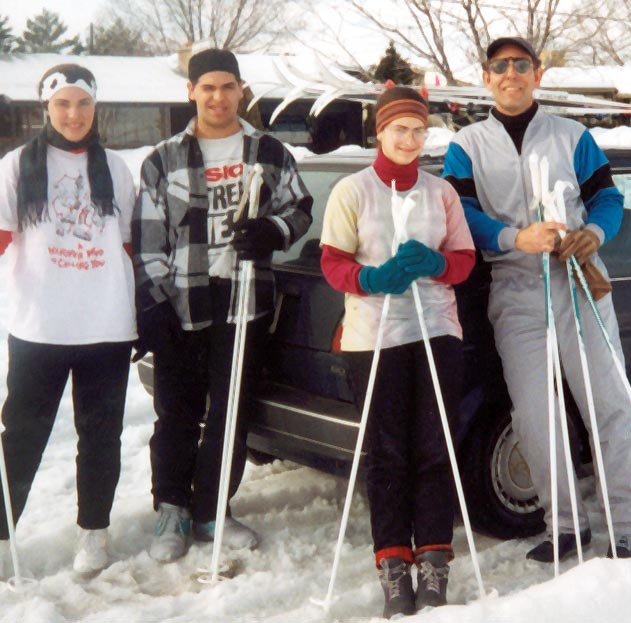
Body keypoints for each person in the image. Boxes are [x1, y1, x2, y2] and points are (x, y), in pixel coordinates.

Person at [442, 36, 631, 562]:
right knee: (535, 415)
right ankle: (565, 526)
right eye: (500, 66)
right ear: (486, 78)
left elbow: (608, 198)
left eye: (521, 65)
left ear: (537, 74)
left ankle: (626, 523)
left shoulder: (572, 134)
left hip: (578, 281)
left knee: (605, 403)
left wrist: (595, 234)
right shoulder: (467, 143)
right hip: (515, 288)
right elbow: (462, 213)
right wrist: (514, 239)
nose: (511, 73)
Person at [132, 49, 312, 563]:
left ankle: (213, 510)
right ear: (191, 91)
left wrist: (273, 231)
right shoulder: (163, 158)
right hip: (182, 300)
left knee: (232, 410)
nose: (217, 97)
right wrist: (156, 305)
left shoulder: (269, 152)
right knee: (177, 412)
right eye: (207, 87)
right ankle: (172, 509)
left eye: (227, 86)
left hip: (244, 298)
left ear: (240, 90)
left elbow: (300, 209)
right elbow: (149, 240)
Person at [320, 87, 475, 617]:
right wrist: (370, 276)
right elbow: (333, 263)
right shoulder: (352, 190)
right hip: (374, 336)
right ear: (379, 133)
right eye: (398, 129)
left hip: (435, 330)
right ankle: (392, 562)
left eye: (417, 129)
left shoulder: (441, 193)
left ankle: (434, 558)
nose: (409, 139)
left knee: (435, 447)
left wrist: (435, 264)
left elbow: (464, 261)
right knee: (386, 452)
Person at [0, 64, 136, 575]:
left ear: (95, 108)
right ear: (47, 108)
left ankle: (93, 534)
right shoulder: (17, 166)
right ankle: (1, 534)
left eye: (83, 104)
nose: (73, 114)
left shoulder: (116, 170)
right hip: (40, 326)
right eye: (63, 104)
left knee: (101, 434)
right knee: (21, 436)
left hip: (105, 326)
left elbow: (126, 247)